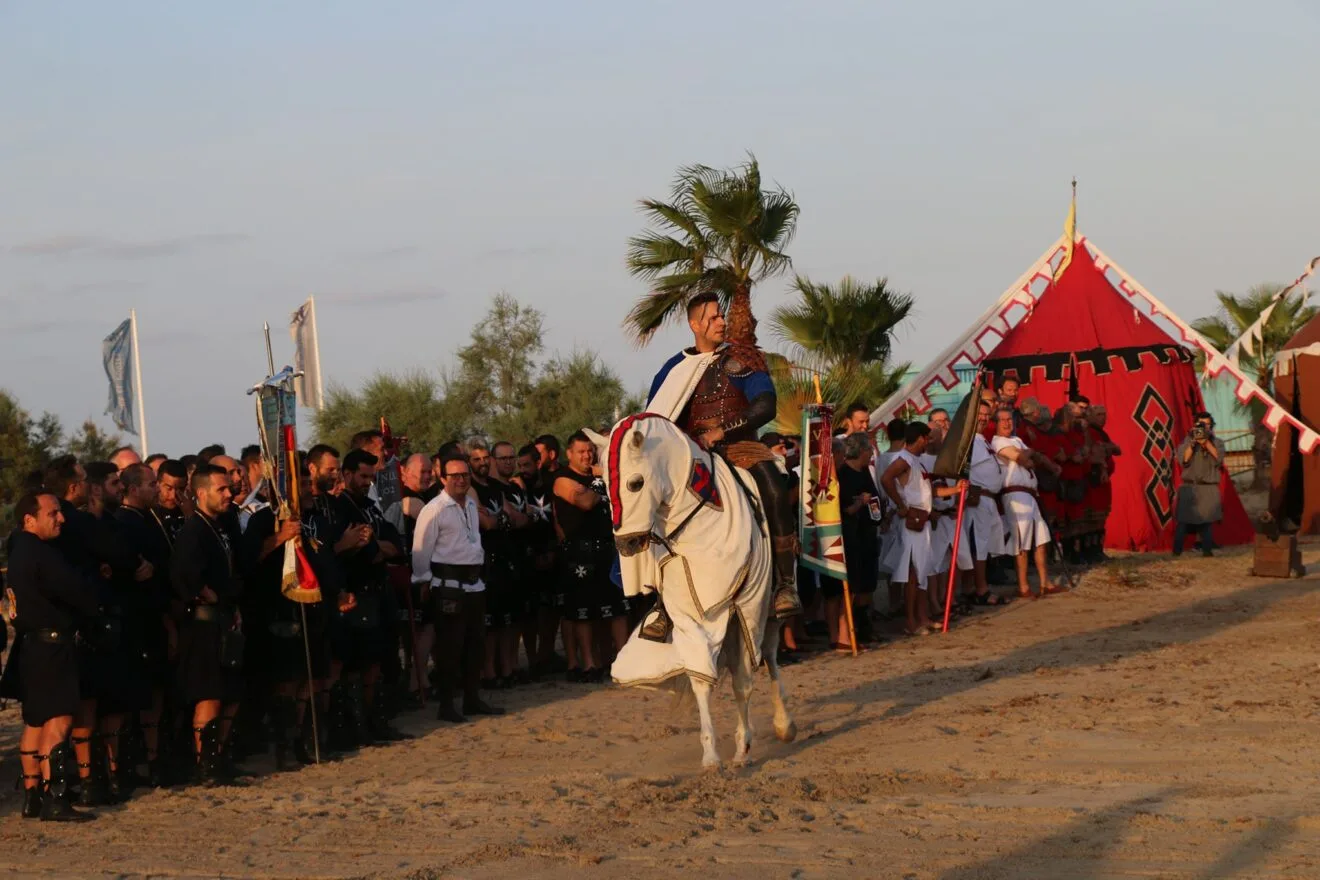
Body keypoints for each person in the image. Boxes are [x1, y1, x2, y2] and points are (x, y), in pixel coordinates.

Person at [643, 292, 802, 640]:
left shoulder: (741, 359)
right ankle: (660, 601)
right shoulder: (674, 368)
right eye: (713, 317)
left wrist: (722, 430)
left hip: (739, 446)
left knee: (774, 488)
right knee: (653, 508)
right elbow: (655, 417)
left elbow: (765, 405)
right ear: (695, 324)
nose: (721, 321)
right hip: (690, 455)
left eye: (721, 316)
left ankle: (785, 583)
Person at [6, 490, 102, 821]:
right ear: (30, 519)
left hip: (31, 646)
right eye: (53, 513)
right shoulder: (41, 554)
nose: (61, 518)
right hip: (50, 646)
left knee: (36, 722)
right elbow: (77, 591)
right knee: (58, 721)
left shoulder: (20, 550)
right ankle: (55, 797)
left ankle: (33, 796)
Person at [412, 453, 505, 723]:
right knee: (450, 647)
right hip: (447, 585)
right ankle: (446, 705)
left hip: (475, 584)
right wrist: (423, 580)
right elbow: (420, 550)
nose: (461, 480)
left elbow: (473, 540)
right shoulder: (435, 509)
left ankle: (472, 699)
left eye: (465, 475)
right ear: (443, 478)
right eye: (455, 476)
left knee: (476, 644)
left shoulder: (470, 507)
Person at [170, 464, 245, 784]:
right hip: (202, 627)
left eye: (229, 488)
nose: (229, 494)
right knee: (209, 695)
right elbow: (183, 574)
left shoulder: (219, 526)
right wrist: (208, 594)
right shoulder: (194, 530)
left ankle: (218, 755)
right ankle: (206, 764)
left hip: (224, 622)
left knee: (230, 693)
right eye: (222, 489)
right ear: (201, 493)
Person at [553, 432, 629, 680]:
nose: (586, 455)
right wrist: (601, 484)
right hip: (579, 553)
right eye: (581, 451)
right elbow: (584, 501)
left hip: (608, 549)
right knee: (582, 612)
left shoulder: (599, 475)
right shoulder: (562, 479)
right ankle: (588, 664)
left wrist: (600, 477)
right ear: (569, 454)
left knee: (616, 608)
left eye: (589, 451)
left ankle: (624, 660)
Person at [881, 423, 966, 635]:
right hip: (912, 523)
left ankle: (922, 616)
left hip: (923, 520)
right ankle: (911, 621)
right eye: (927, 438)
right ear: (919, 438)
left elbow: (928, 492)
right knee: (912, 573)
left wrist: (955, 489)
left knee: (923, 571)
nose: (928, 442)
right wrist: (901, 505)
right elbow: (886, 479)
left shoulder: (916, 462)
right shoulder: (903, 460)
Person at [991, 407, 1062, 598]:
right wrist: (1030, 452)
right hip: (1015, 495)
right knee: (1021, 541)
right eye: (1002, 420)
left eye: (1009, 419)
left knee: (1040, 539)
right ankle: (1023, 586)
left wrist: (1031, 454)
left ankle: (1045, 582)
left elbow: (1032, 458)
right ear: (996, 423)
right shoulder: (997, 442)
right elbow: (1023, 459)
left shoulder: (1017, 440)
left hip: (1030, 493)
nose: (1007, 423)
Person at [958, 401, 1007, 606]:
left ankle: (975, 587)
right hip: (977, 500)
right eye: (980, 414)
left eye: (987, 414)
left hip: (988, 500)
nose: (984, 418)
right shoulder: (968, 439)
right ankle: (980, 589)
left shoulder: (983, 440)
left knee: (983, 547)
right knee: (977, 547)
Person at [836, 432, 880, 650]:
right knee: (854, 583)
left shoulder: (864, 472)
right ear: (862, 451)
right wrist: (860, 504)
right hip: (852, 534)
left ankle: (865, 626)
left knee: (868, 582)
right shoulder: (842, 474)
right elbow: (843, 510)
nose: (871, 453)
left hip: (868, 532)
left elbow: (874, 498)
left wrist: (878, 513)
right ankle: (850, 631)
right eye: (870, 450)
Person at [1174, 412, 1226, 557]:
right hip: (1189, 486)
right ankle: (1176, 552)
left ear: (1212, 426)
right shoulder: (1187, 441)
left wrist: (1206, 442)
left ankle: (1207, 551)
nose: (1204, 428)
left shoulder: (1218, 442)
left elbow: (1219, 458)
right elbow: (1183, 460)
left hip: (1208, 486)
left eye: (1207, 425)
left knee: (1207, 522)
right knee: (1183, 522)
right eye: (1201, 425)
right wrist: (1193, 443)